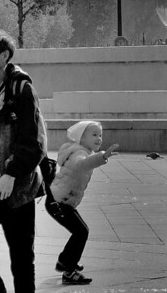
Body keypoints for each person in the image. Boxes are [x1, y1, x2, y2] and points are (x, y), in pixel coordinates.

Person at [0, 31, 45, 292]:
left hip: (17, 190)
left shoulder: (21, 89)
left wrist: (11, 173)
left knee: (22, 261)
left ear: (4, 56)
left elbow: (34, 140)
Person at [47, 120, 119, 285]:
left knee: (80, 231)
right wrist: (103, 156)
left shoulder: (82, 151)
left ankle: (65, 261)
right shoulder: (78, 153)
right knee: (81, 232)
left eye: (100, 135)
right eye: (94, 135)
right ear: (81, 138)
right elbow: (81, 165)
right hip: (58, 202)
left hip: (61, 200)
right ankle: (69, 271)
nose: (99, 138)